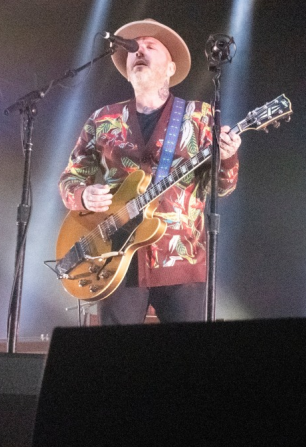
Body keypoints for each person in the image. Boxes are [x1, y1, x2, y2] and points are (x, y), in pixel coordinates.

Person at [59, 19, 241, 325]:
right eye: (134, 48)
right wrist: (84, 196)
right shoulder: (104, 118)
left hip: (181, 261)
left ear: (170, 68)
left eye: (150, 46)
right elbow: (71, 177)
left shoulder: (199, 116)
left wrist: (230, 157)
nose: (139, 51)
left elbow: (222, 188)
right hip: (117, 260)